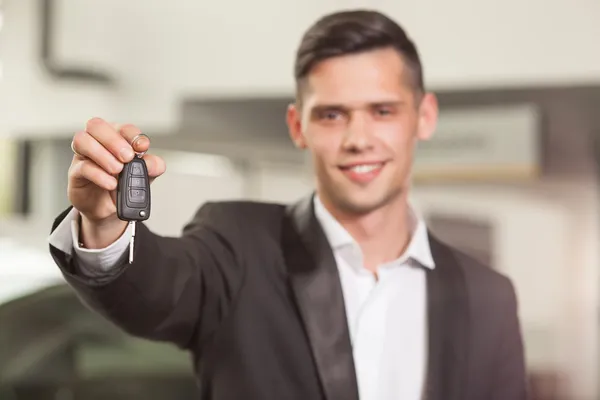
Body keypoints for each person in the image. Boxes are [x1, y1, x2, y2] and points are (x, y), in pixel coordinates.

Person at [48, 9, 529, 400]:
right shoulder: (238, 247)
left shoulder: (489, 296)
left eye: (383, 111)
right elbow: (154, 293)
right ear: (299, 126)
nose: (358, 139)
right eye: (332, 114)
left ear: (423, 116)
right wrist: (104, 224)